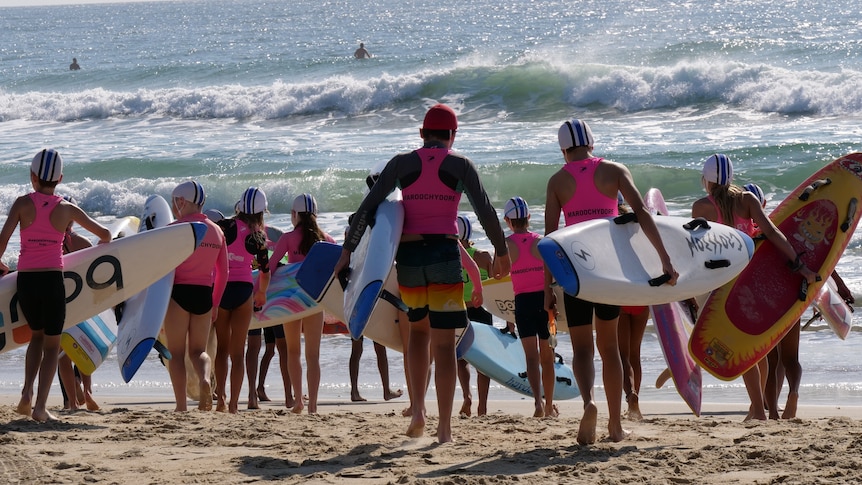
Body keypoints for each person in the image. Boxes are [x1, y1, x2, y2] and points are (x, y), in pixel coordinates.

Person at [335, 103, 510, 443]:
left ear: (421, 134)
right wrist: (501, 252)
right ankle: (444, 428)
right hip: (445, 254)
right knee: (444, 345)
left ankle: (418, 410)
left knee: (417, 334)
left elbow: (369, 206)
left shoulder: (401, 163)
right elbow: (485, 209)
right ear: (452, 135)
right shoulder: (461, 164)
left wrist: (347, 251)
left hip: (410, 257)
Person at [544, 119, 678, 444]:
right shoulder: (614, 170)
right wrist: (665, 260)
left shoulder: (557, 180)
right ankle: (615, 426)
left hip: (576, 270)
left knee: (581, 350)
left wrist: (547, 287)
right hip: (609, 270)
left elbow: (549, 239)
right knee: (610, 349)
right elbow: (643, 213)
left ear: (564, 149)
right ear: (591, 141)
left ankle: (589, 402)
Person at [692, 154, 818, 421]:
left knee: (739, 345)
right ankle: (756, 408)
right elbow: (772, 233)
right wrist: (799, 265)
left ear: (707, 180)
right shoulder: (748, 200)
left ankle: (759, 411)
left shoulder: (702, 206)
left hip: (721, 284)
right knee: (753, 345)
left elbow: (698, 253)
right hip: (750, 281)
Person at [0, 149, 111, 422]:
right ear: (60, 178)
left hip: (26, 282)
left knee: (35, 337)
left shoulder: (21, 204)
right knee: (52, 346)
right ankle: (39, 407)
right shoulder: (66, 209)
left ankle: (25, 394)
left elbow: (1, 244)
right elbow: (106, 235)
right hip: (52, 281)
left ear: (32, 176)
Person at [163, 180, 229, 412]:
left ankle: (181, 405)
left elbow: (164, 268)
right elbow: (224, 272)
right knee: (199, 352)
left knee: (177, 353)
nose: (173, 205)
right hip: (204, 295)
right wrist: (215, 304)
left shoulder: (173, 228)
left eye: (174, 201)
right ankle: (205, 380)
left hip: (178, 294)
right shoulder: (217, 231)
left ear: (182, 201)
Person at [270, 193, 336, 414]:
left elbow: (269, 267)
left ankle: (299, 401)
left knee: (293, 352)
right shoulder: (327, 240)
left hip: (291, 301)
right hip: (314, 301)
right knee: (313, 355)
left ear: (294, 214)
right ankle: (313, 405)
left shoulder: (287, 238)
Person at [213, 187, 271, 413]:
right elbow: (265, 272)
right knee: (238, 353)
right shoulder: (258, 237)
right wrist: (262, 293)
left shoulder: (225, 226)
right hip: (244, 292)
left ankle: (220, 400)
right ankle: (234, 404)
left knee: (221, 350)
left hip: (222, 288)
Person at [503, 197, 557, 418]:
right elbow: (552, 275)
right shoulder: (542, 242)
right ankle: (550, 405)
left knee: (531, 358)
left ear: (508, 220)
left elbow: (499, 274)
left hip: (522, 303)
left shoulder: (506, 245)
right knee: (548, 357)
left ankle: (537, 402)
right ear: (529, 218)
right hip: (545, 302)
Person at [56, 195, 101, 412]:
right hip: (82, 304)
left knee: (61, 354)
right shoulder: (84, 243)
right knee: (84, 348)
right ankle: (88, 390)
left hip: (59, 304)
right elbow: (96, 277)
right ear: (73, 219)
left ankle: (72, 402)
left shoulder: (50, 245)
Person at [455, 214, 494, 417]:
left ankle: (467, 397)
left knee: (461, 359)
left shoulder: (451, 254)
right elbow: (499, 286)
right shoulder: (484, 256)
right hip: (482, 311)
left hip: (460, 310)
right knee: (483, 363)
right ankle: (483, 407)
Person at [615, 194, 649, 421]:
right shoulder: (640, 231)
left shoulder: (609, 230)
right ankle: (635, 407)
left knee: (621, 355)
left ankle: (630, 395)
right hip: (640, 298)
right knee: (635, 353)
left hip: (619, 297)